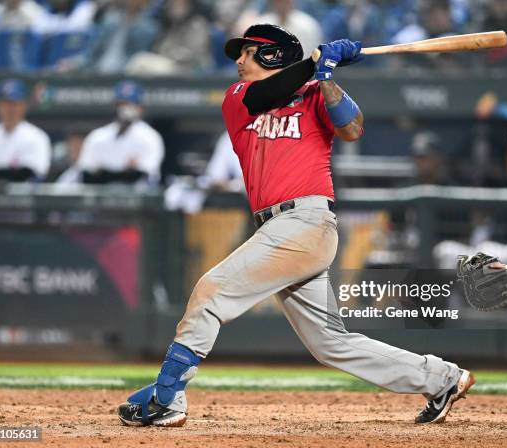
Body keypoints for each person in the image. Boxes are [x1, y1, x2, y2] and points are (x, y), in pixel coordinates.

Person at [117, 24, 475, 428]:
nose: (238, 60)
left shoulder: (313, 93)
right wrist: (314, 63)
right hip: (278, 228)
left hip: (305, 221)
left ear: (272, 55)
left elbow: (353, 128)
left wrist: (326, 78)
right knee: (330, 343)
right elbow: (269, 93)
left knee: (210, 291)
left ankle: (167, 397)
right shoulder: (239, 97)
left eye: (248, 52)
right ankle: (441, 378)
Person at [75, 80, 164, 185]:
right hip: (100, 195)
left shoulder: (150, 137)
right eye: (121, 104)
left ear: (140, 107)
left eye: (130, 104)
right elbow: (85, 171)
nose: (125, 109)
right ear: (115, 106)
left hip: (136, 196)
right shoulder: (98, 136)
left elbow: (149, 175)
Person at [0, 78, 51, 182]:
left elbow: (32, 175)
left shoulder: (37, 137)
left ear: (24, 105)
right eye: (5, 104)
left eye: (15, 104)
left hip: (22, 197)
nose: (10, 109)